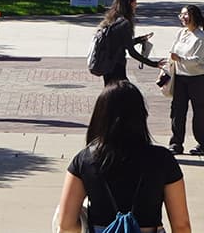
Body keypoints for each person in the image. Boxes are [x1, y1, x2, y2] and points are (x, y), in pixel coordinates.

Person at [53, 80, 192, 233]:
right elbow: (181, 225)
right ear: (141, 115)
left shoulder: (84, 160)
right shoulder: (163, 159)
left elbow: (66, 224)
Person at [164, 5, 204, 155]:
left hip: (197, 78)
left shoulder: (200, 37)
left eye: (186, 15)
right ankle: (176, 143)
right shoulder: (181, 33)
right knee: (177, 110)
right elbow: (173, 52)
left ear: (194, 17)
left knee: (199, 110)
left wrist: (180, 59)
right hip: (179, 77)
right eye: (181, 15)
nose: (183, 18)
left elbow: (197, 60)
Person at [94, 0, 161, 84]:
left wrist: (139, 40)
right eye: (135, 2)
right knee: (123, 94)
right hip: (117, 66)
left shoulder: (111, 19)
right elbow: (132, 52)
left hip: (107, 65)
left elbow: (121, 43)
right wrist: (154, 64)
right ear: (129, 3)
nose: (136, 5)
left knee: (112, 93)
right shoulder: (125, 23)